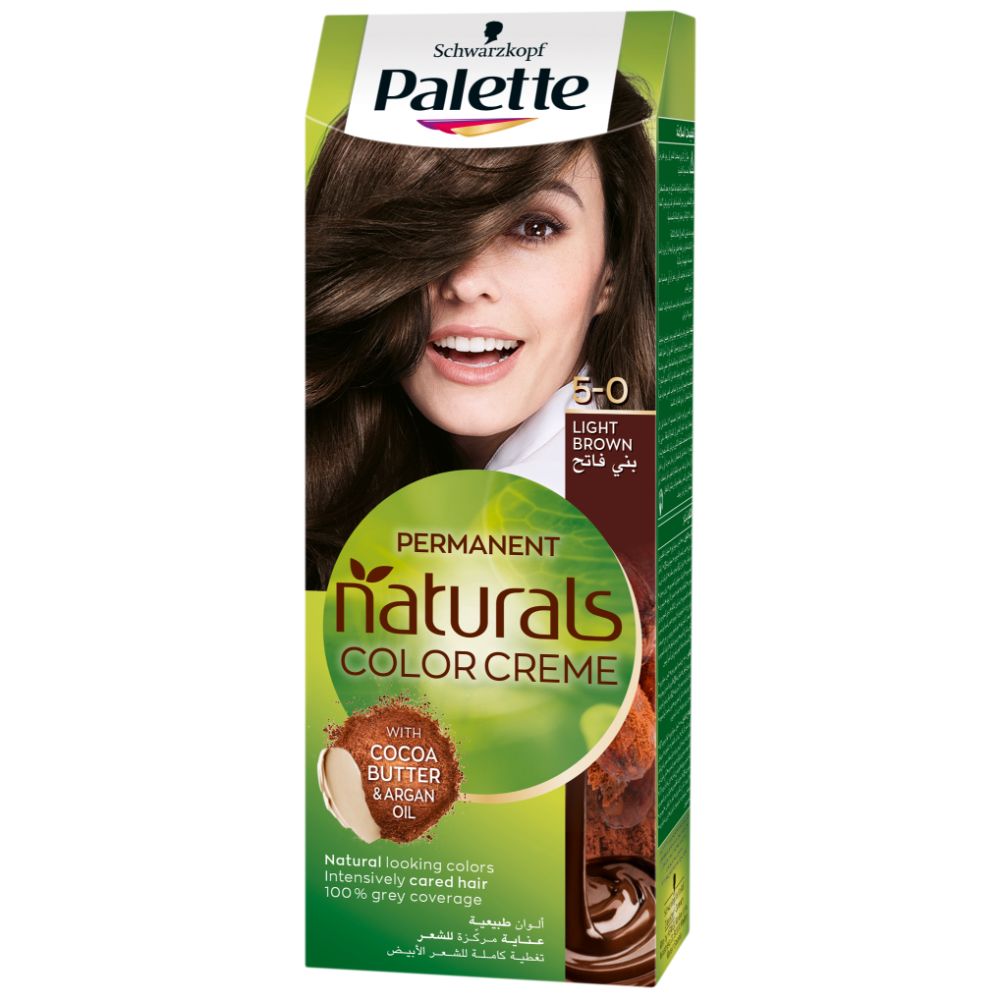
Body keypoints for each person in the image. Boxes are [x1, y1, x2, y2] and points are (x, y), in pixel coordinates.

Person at [306, 73, 655, 589]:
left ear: (611, 274)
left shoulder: (636, 533)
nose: (467, 283)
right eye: (422, 223)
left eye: (535, 227)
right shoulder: (321, 474)